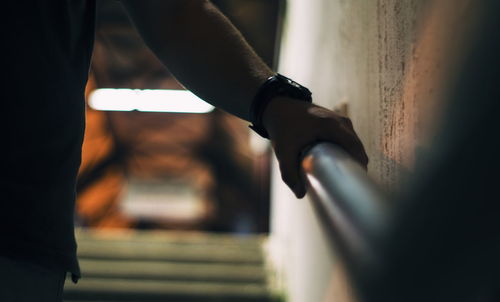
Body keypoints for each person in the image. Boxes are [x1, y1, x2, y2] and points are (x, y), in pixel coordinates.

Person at [0, 1, 368, 301]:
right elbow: (170, 16)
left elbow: (171, 15)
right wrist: (275, 106)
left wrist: (276, 105)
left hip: (21, 233)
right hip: (23, 232)